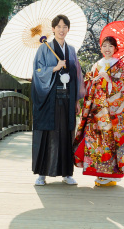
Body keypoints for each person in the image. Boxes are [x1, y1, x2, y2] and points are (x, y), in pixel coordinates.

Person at [31, 14, 85, 186]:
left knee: (66, 133)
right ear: (53, 29)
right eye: (58, 27)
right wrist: (55, 67)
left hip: (67, 98)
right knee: (47, 133)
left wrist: (77, 101)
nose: (62, 30)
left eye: (65, 27)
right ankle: (42, 174)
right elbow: (37, 72)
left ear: (68, 29)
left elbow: (76, 76)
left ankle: (67, 173)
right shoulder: (44, 48)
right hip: (49, 97)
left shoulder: (71, 50)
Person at [74, 36, 124, 187]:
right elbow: (87, 83)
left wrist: (110, 79)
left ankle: (112, 174)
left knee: (111, 141)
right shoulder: (97, 65)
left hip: (113, 111)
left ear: (115, 49)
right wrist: (92, 82)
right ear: (101, 48)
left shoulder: (120, 64)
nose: (107, 49)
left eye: (111, 46)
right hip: (96, 109)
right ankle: (99, 173)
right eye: (104, 46)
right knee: (96, 141)